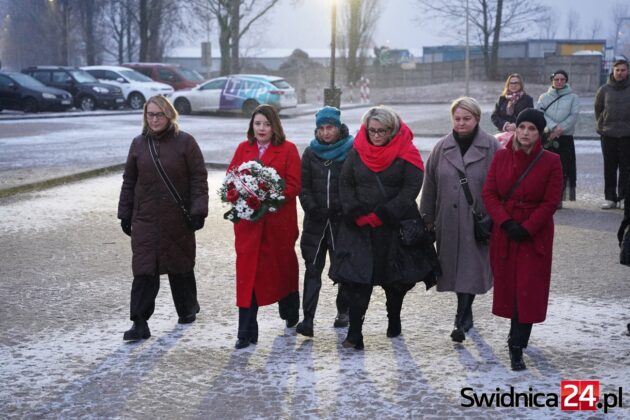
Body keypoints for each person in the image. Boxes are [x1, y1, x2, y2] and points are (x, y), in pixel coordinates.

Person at [332, 105, 437, 350]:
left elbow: (411, 188)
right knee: (358, 281)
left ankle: (394, 320)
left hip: (393, 227)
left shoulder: (406, 151)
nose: (376, 135)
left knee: (395, 282)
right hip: (360, 229)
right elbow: (345, 183)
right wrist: (355, 211)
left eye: (382, 131)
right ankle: (355, 334)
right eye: (372, 131)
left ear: (392, 130)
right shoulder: (357, 151)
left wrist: (385, 213)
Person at [118, 95, 208, 341]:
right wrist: (124, 214)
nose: (155, 119)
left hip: (177, 217)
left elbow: (198, 178)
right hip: (145, 218)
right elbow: (129, 181)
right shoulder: (138, 144)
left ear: (169, 115)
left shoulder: (186, 142)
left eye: (159, 114)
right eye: (150, 114)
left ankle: (187, 308)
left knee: (180, 265)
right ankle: (139, 322)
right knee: (144, 270)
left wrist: (198, 210)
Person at [482, 108, 563, 371]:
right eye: (522, 127)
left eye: (532, 129)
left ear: (539, 133)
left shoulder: (551, 161)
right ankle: (515, 336)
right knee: (510, 287)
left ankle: (517, 345)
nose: (526, 133)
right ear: (515, 129)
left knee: (528, 290)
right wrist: (505, 222)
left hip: (534, 235)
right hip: (505, 232)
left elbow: (551, 201)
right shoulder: (501, 156)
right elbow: (489, 193)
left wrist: (527, 228)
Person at [420, 97, 501, 343]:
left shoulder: (492, 147)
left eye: (467, 118)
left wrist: (496, 217)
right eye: (457, 119)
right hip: (448, 221)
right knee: (455, 271)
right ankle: (466, 314)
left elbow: (503, 185)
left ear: (477, 119)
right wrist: (427, 218)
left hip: (478, 222)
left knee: (470, 270)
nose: (461, 123)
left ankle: (460, 318)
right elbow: (429, 185)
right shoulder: (441, 147)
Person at [227, 104, 301, 349]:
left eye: (267, 124)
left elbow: (294, 184)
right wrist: (239, 195)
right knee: (247, 273)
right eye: (257, 123)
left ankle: (290, 309)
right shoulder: (243, 148)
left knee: (281, 270)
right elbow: (231, 177)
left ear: (275, 126)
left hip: (277, 224)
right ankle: (246, 330)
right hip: (248, 225)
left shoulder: (288, 149)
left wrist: (269, 197)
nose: (261, 128)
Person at [296, 106, 354, 337]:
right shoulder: (311, 153)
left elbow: (354, 184)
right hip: (316, 223)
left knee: (344, 269)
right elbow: (303, 186)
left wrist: (345, 208)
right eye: (321, 128)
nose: (325, 132)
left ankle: (343, 312)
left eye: (330, 127)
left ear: (338, 127)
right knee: (312, 269)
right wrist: (311, 207)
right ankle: (308, 319)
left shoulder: (351, 151)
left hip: (342, 222)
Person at [536, 69, 579, 207]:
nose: (559, 82)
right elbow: (540, 113)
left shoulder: (573, 97)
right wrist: (553, 127)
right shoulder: (544, 97)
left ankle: (558, 198)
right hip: (548, 137)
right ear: (552, 81)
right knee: (546, 168)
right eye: (556, 79)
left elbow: (573, 115)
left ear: (566, 81)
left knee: (563, 169)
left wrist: (560, 129)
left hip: (565, 138)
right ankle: (545, 196)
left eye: (562, 79)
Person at [595, 58, 630, 210]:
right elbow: (598, 109)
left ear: (627, 71)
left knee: (626, 168)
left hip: (627, 135)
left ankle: (623, 197)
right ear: (613, 71)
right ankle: (610, 198)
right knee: (609, 168)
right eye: (617, 70)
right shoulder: (604, 90)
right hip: (608, 135)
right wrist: (603, 125)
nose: (620, 73)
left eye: (623, 70)